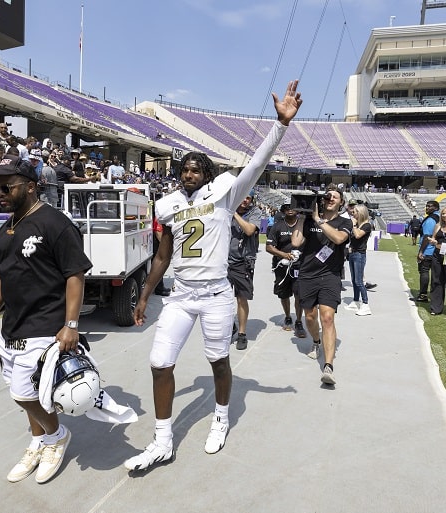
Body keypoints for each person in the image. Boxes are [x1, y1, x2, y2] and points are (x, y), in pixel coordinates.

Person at [123, 80, 301, 471]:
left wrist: (281, 126)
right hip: (182, 294)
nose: (188, 173)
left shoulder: (224, 193)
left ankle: (221, 416)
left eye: (195, 168)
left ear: (206, 173)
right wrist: (143, 295)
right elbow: (162, 256)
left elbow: (254, 166)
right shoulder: (167, 205)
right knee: (159, 362)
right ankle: (163, 438)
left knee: (218, 360)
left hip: (217, 293)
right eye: (184, 168)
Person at [0, 156, 92, 484]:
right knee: (26, 393)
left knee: (24, 394)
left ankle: (56, 435)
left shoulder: (56, 223)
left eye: (7, 186)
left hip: (45, 324)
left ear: (30, 186)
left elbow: (75, 275)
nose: (0, 192)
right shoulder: (6, 228)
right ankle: (40, 440)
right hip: (12, 327)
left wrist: (71, 324)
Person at [291, 189, 352, 386]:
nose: (330, 198)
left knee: (327, 317)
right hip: (308, 274)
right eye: (327, 196)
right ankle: (316, 342)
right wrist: (302, 216)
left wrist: (319, 220)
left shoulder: (345, 222)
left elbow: (338, 239)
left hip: (330, 275)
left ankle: (328, 366)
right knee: (310, 316)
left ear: (341, 202)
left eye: (335, 196)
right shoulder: (309, 220)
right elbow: (296, 242)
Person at [227, 190, 262, 350]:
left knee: (242, 298)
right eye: (243, 197)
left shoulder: (255, 211)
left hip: (243, 262)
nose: (245, 200)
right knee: (222, 300)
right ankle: (228, 328)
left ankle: (241, 333)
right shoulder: (226, 209)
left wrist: (233, 213)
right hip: (224, 262)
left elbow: (249, 230)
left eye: (248, 198)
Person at [266, 203, 306, 338]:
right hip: (281, 266)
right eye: (287, 208)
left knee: (299, 294)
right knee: (283, 294)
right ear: (284, 211)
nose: (290, 210)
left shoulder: (303, 225)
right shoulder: (277, 225)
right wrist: (283, 255)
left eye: (293, 207)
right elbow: (269, 247)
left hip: (299, 266)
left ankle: (299, 321)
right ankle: (288, 317)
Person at [345, 204, 373, 316]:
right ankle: (356, 301)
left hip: (359, 255)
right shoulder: (358, 224)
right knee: (353, 280)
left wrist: (354, 225)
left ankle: (365, 304)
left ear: (361, 213)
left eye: (355, 212)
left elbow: (357, 236)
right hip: (352, 253)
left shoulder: (366, 225)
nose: (353, 213)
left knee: (359, 281)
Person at [415, 201, 440, 302]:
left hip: (428, 250)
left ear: (436, 208)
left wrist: (421, 252)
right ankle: (434, 295)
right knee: (435, 274)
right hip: (437, 249)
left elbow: (427, 236)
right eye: (426, 206)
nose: (427, 208)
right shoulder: (439, 218)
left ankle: (423, 294)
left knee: (424, 271)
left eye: (430, 206)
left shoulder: (431, 220)